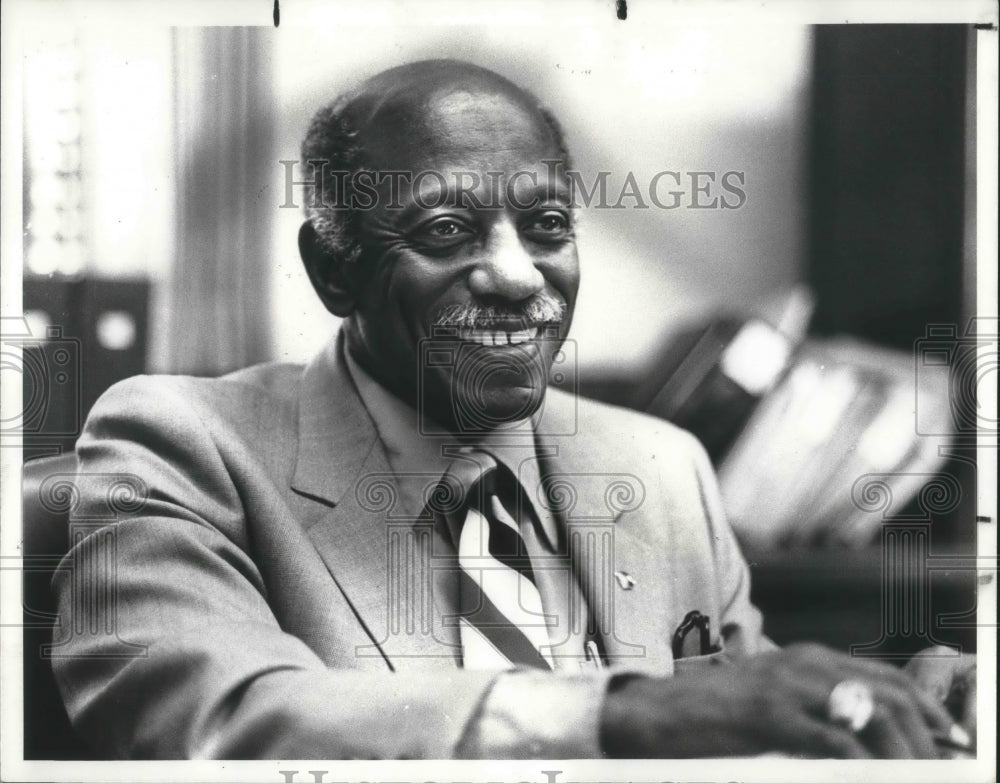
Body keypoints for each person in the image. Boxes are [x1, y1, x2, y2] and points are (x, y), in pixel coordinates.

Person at [51, 58, 974, 760]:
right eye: (446, 230)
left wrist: (887, 699)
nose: (518, 275)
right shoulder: (178, 445)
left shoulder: (662, 467)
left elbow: (734, 704)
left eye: (546, 226)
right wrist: (620, 712)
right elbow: (214, 720)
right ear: (333, 270)